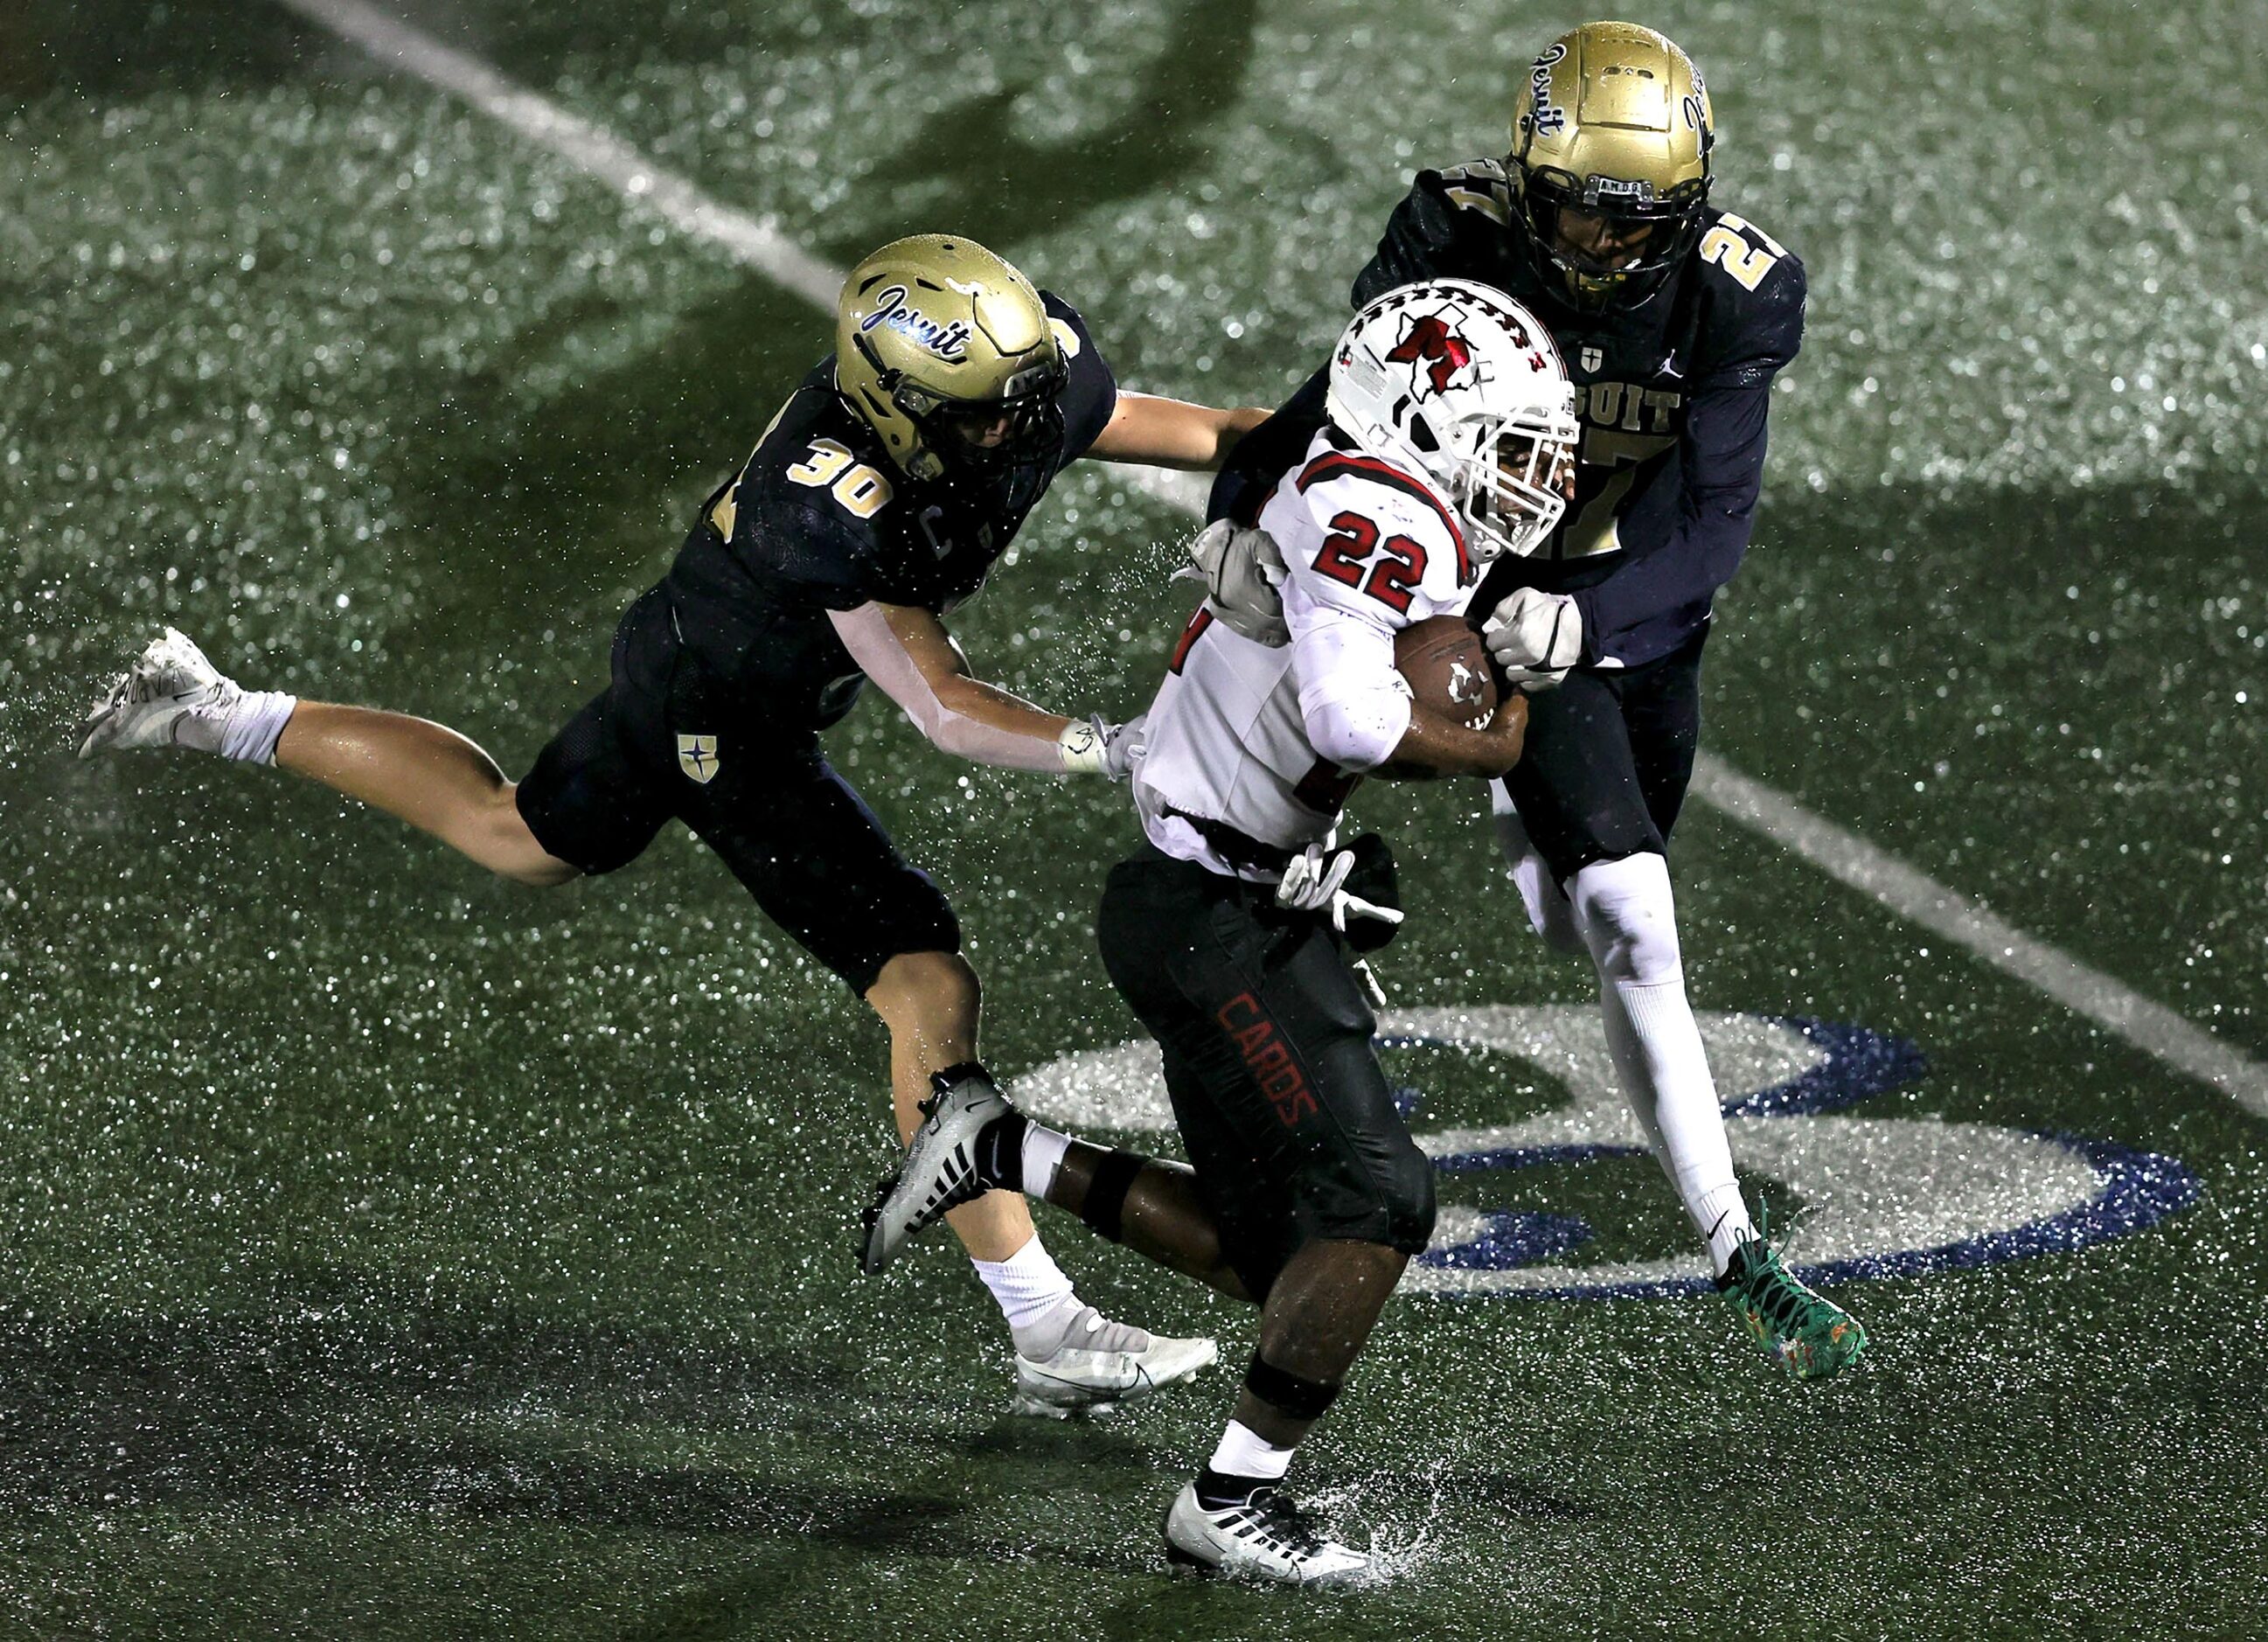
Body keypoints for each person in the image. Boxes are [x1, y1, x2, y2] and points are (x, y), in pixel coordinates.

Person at [78, 233, 1273, 1417]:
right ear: (897, 409)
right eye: (982, 418)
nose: (1016, 432)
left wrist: (1368, 472)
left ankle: (211, 710)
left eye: (1023, 404)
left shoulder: (1019, 379)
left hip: (700, 659)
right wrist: (1112, 745)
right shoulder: (828, 502)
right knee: (923, 981)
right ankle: (1043, 1322)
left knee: (523, 836)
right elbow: (942, 705)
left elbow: (1218, 433)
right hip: (718, 710)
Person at [865, 280, 1571, 1585]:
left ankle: (1000, 1142)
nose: (1530, 478)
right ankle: (1232, 1501)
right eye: (1510, 442)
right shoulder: (1380, 508)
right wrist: (1512, 713)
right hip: (1218, 912)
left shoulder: (1363, 488)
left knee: (1277, 1256)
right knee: (1376, 1200)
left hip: (1222, 893)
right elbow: (1359, 721)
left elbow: (1292, 550)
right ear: (1420, 415)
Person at [1198, 22, 1866, 1381]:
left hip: (1627, 611)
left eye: (1635, 221)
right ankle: (1736, 1243)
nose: (1601, 246)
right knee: (1628, 912)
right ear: (1524, 175)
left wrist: (1592, 620)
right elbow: (1349, 401)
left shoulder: (1735, 292)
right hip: (1461, 585)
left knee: (1575, 910)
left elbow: (1714, 524)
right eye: (1573, 207)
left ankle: (1515, 799)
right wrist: (1237, 515)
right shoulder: (1454, 228)